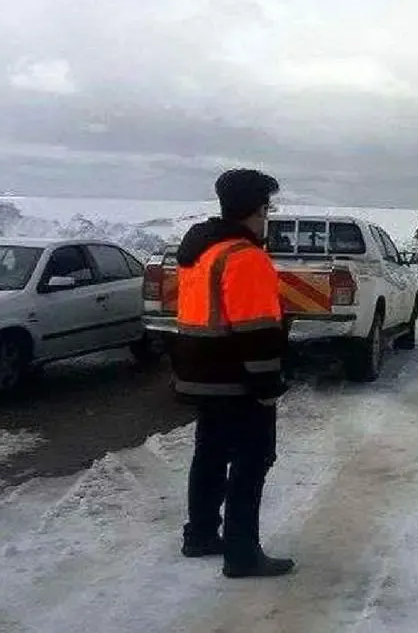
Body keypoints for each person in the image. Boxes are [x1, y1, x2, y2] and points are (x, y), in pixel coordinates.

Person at [171, 168, 295, 577]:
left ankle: (202, 534)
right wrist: (267, 387)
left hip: (200, 373)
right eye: (266, 208)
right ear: (253, 210)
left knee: (209, 454)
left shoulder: (201, 252)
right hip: (236, 379)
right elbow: (256, 333)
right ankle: (242, 554)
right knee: (252, 460)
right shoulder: (246, 258)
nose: (267, 217)